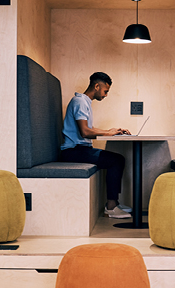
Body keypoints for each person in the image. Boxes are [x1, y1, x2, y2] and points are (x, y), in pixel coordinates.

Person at [59, 72, 132, 219]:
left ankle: (114, 203)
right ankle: (111, 206)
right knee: (116, 160)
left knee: (116, 159)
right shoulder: (79, 101)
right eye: (105, 91)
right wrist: (107, 133)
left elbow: (89, 128)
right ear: (97, 86)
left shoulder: (84, 102)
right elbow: (85, 132)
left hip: (79, 150)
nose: (106, 95)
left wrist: (112, 131)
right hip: (73, 151)